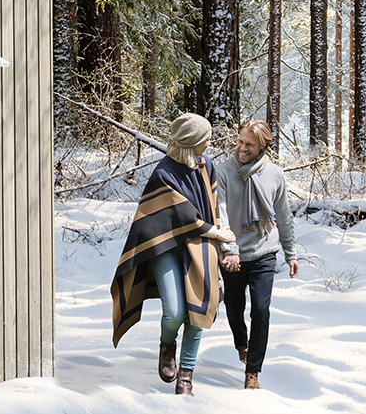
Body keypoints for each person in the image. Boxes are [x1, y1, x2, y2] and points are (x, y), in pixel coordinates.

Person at [111, 113, 235, 397]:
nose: (209, 141)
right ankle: (167, 345)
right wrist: (215, 233)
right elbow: (179, 216)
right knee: (175, 311)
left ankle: (186, 376)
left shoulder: (207, 166)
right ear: (192, 142)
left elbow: (215, 206)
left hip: (201, 245)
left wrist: (223, 243)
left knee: (198, 310)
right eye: (205, 137)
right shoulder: (163, 173)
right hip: (165, 245)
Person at [216, 119, 298, 390]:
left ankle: (253, 373)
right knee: (234, 308)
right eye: (239, 141)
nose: (241, 148)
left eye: (248, 144)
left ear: (262, 145)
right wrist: (230, 251)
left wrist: (291, 253)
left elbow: (284, 216)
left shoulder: (274, 175)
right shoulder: (224, 172)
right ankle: (241, 342)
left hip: (264, 251)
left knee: (261, 311)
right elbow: (221, 214)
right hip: (233, 255)